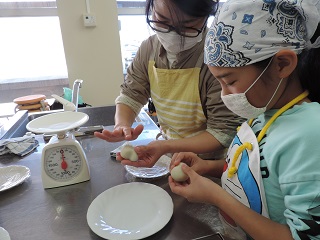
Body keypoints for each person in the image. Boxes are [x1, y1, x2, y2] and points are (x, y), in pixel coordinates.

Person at [169, 0, 320, 239]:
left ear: (282, 64)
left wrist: (217, 196)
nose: (225, 94)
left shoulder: (310, 135)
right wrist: (209, 167)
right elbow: (261, 172)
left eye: (229, 81)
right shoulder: (264, 111)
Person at [95, 0, 244, 167]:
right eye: (162, 21)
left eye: (186, 26)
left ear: (206, 18)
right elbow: (131, 94)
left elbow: (221, 133)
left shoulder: (217, 58)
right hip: (167, 153)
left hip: (210, 163)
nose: (173, 35)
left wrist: (165, 147)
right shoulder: (148, 49)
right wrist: (122, 124)